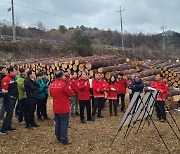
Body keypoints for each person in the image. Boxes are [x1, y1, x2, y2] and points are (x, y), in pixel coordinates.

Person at [50, 71, 74, 145]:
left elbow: (51, 94)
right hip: (63, 107)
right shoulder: (63, 85)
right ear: (61, 76)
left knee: (57, 123)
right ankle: (63, 139)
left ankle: (58, 137)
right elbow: (71, 93)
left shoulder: (52, 84)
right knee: (64, 124)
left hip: (56, 107)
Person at [0, 66, 18, 135]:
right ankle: (3, 129)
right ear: (10, 72)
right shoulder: (6, 79)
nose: (16, 72)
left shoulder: (13, 79)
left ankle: (8, 126)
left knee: (10, 114)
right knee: (9, 113)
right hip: (9, 99)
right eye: (15, 71)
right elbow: (4, 91)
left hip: (13, 98)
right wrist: (9, 98)